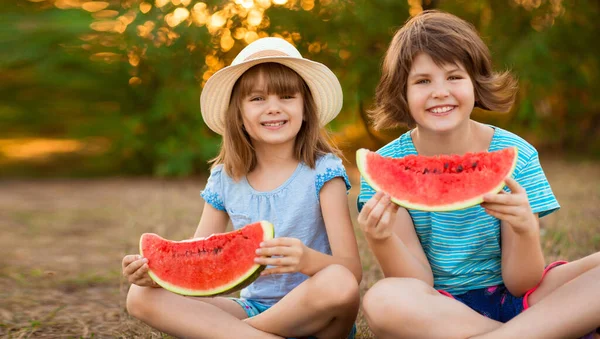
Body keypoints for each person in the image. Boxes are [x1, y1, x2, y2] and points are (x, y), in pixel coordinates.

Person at [356, 10, 600, 339]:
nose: (440, 91)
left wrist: (525, 227)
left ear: (475, 83)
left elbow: (522, 282)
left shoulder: (517, 155)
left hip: (521, 299)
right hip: (437, 309)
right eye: (423, 80)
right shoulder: (386, 165)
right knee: (382, 299)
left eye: (453, 77)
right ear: (402, 93)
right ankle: (547, 330)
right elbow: (418, 283)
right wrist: (381, 239)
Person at [122, 37, 361, 339]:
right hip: (253, 309)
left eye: (287, 96)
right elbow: (195, 266)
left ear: (305, 108)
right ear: (239, 113)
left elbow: (351, 272)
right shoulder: (225, 178)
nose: (273, 108)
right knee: (139, 297)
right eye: (257, 99)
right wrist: (154, 275)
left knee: (338, 281)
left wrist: (307, 259)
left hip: (319, 312)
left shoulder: (324, 170)